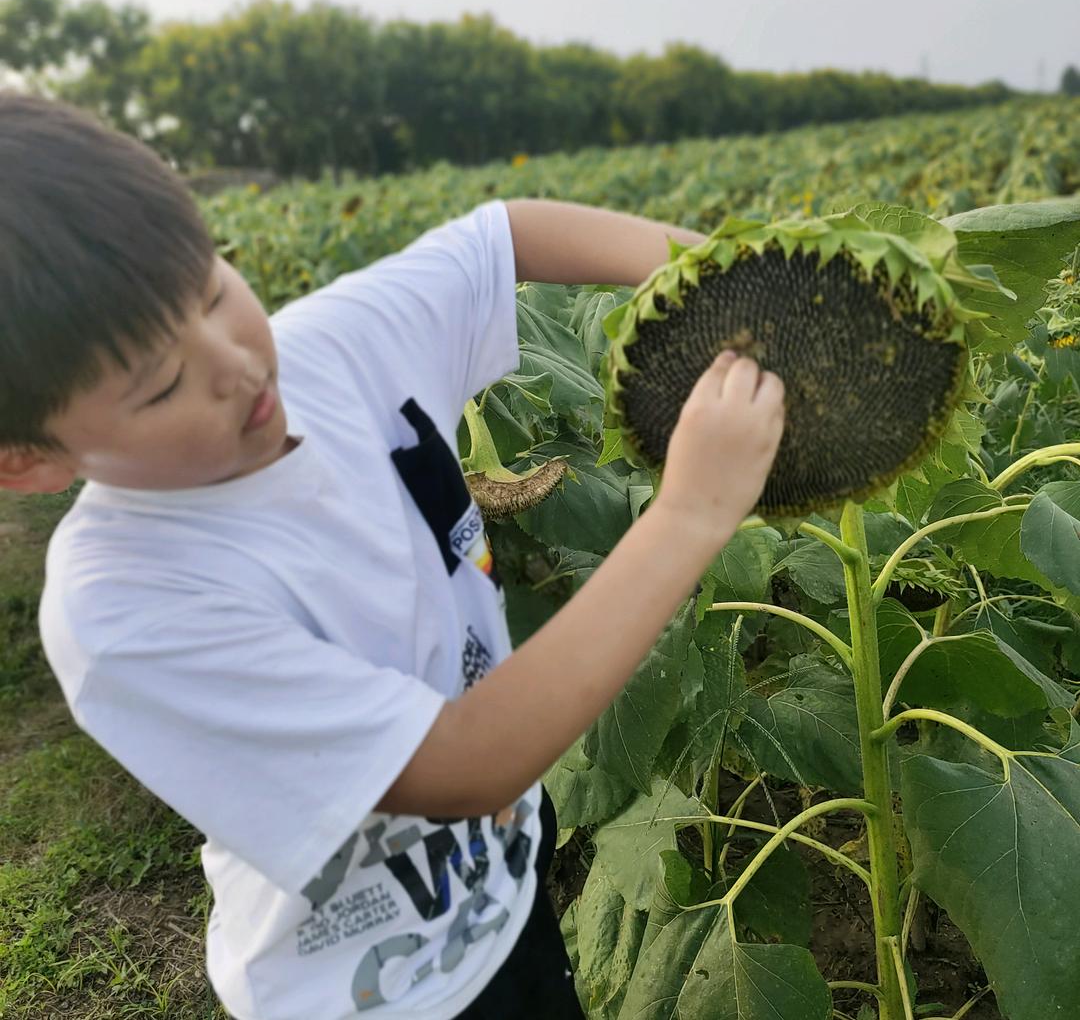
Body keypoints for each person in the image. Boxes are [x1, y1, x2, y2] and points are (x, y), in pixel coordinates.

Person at [0, 92, 785, 1020]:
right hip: (371, 994)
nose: (238, 365)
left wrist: (729, 278)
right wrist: (691, 511)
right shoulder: (126, 605)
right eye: (163, 384)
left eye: (211, 289)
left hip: (502, 897)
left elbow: (503, 237)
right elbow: (468, 763)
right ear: (29, 461)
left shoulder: (333, 349)